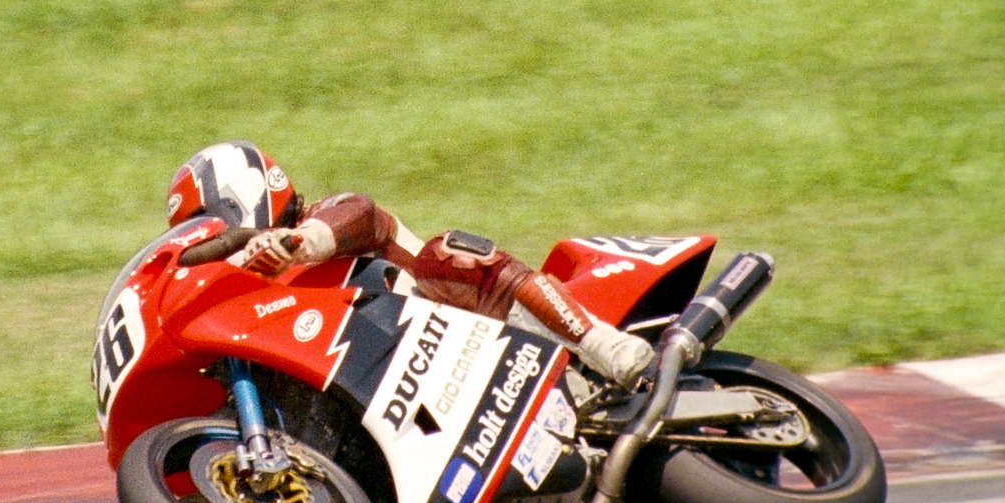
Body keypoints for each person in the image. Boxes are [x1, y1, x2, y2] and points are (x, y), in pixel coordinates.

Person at [165, 141, 655, 389]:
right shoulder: (255, 296)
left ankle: (599, 343)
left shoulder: (325, 215)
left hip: (468, 328)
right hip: (398, 391)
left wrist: (299, 243)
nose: (213, 238)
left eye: (211, 222)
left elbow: (363, 216)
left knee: (450, 254)